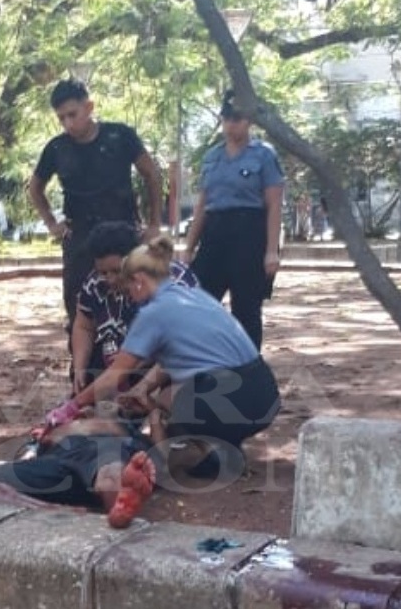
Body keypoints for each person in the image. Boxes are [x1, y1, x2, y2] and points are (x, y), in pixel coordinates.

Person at [44, 241, 280, 479]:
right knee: (176, 393)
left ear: (139, 280)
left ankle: (207, 455)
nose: (130, 300)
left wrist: (72, 407)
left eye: (128, 291)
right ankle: (225, 452)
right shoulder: (192, 295)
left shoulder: (153, 312)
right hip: (265, 392)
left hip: (236, 398)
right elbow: (181, 358)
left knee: (169, 401)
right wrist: (142, 388)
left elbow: (114, 375)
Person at [28, 78, 163, 328]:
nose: (68, 123)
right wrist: (50, 222)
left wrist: (154, 223)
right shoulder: (56, 148)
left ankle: (134, 363)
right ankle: (83, 366)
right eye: (61, 118)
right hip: (80, 237)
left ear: (88, 107)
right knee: (79, 305)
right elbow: (35, 188)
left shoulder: (120, 135)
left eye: (72, 114)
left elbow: (152, 175)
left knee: (136, 301)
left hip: (122, 231)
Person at [0, 413, 157, 528]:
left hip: (102, 446)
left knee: (109, 469)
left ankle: (118, 502)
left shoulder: (117, 427)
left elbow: (106, 424)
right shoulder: (47, 438)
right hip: (56, 461)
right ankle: (43, 506)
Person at [182, 90, 285, 350]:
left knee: (247, 310)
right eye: (227, 118)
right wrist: (189, 248)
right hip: (215, 234)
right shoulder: (211, 156)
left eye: (237, 119)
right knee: (198, 304)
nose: (231, 125)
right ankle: (204, 367)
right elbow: (203, 205)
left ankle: (249, 372)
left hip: (249, 235)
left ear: (248, 120)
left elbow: (274, 205)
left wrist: (271, 251)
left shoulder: (263, 155)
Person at [72, 222, 197, 395]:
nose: (110, 280)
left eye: (117, 271)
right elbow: (84, 325)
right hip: (123, 362)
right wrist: (79, 368)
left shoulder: (173, 283)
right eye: (103, 272)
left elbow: (180, 345)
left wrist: (142, 382)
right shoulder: (95, 283)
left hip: (177, 360)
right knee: (96, 409)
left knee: (171, 408)